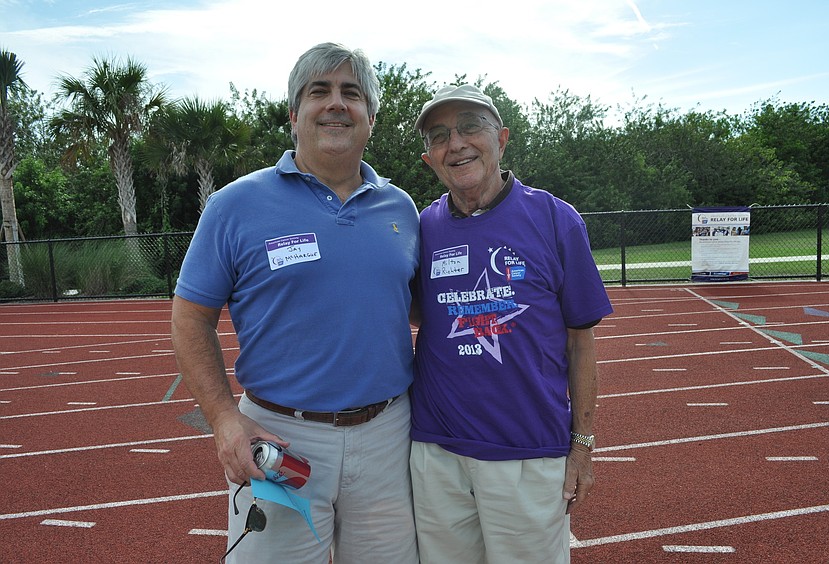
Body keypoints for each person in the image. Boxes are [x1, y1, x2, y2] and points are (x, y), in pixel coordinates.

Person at [171, 42, 419, 563]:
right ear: (294, 113)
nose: (336, 104)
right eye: (318, 92)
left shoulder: (402, 208)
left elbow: (418, 309)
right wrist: (222, 419)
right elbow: (191, 317)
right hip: (280, 439)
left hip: (389, 436)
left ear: (371, 117)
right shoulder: (234, 205)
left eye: (351, 93)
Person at [409, 84, 613, 563]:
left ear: (501, 138)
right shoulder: (422, 229)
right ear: (429, 159)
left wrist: (582, 446)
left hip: (528, 454)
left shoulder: (556, 219)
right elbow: (418, 314)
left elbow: (581, 343)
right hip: (436, 454)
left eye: (470, 127)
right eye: (440, 136)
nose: (456, 143)